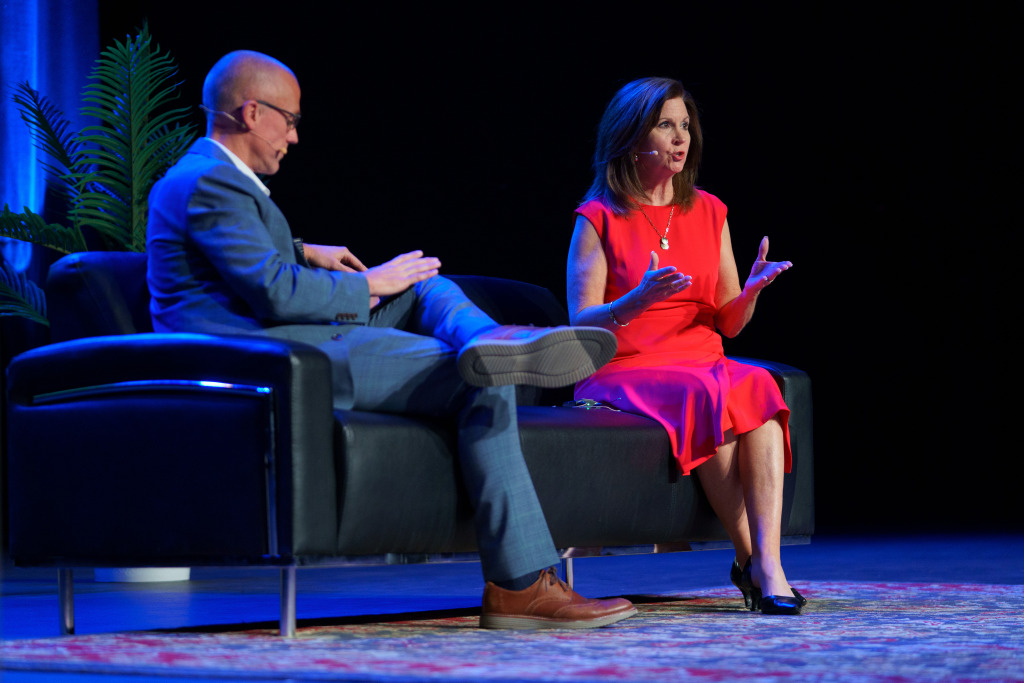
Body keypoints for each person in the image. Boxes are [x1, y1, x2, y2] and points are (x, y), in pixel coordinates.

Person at [146, 50, 637, 630]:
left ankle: (489, 336)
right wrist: (371, 283)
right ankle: (520, 584)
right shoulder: (211, 182)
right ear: (252, 113)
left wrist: (302, 250)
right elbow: (274, 294)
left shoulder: (208, 178)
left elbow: (235, 264)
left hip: (290, 337)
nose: (294, 137)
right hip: (277, 357)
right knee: (474, 375)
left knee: (424, 285)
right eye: (290, 120)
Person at [567, 77, 804, 615]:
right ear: (632, 139)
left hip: (700, 359)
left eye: (686, 126)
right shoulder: (598, 217)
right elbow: (580, 322)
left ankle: (770, 563)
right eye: (665, 125)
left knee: (760, 387)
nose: (681, 138)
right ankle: (751, 559)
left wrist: (750, 292)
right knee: (705, 394)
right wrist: (636, 300)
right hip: (625, 364)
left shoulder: (710, 211)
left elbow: (729, 323)